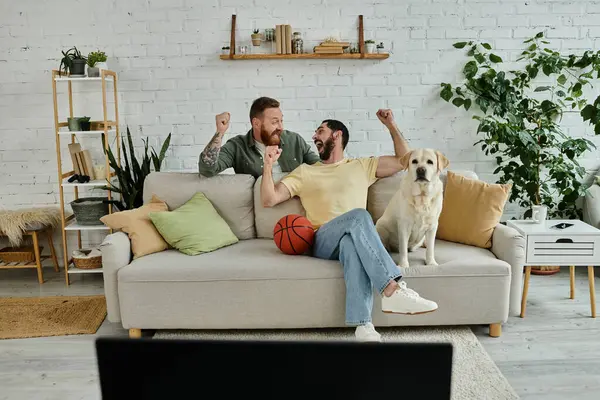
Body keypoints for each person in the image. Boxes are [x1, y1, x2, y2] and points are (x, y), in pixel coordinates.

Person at [260, 109, 438, 342]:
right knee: (359, 216)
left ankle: (363, 326)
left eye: (320, 131)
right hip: (322, 239)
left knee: (351, 243)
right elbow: (269, 199)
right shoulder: (305, 172)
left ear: (337, 135)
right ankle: (393, 289)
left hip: (353, 238)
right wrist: (267, 165)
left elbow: (405, 161)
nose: (315, 136)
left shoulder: (362, 166)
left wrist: (391, 125)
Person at [198, 96, 320, 178]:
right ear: (256, 123)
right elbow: (207, 170)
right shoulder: (237, 146)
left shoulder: (294, 140)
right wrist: (220, 132)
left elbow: (321, 168)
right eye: (274, 122)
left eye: (281, 120)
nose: (280, 127)